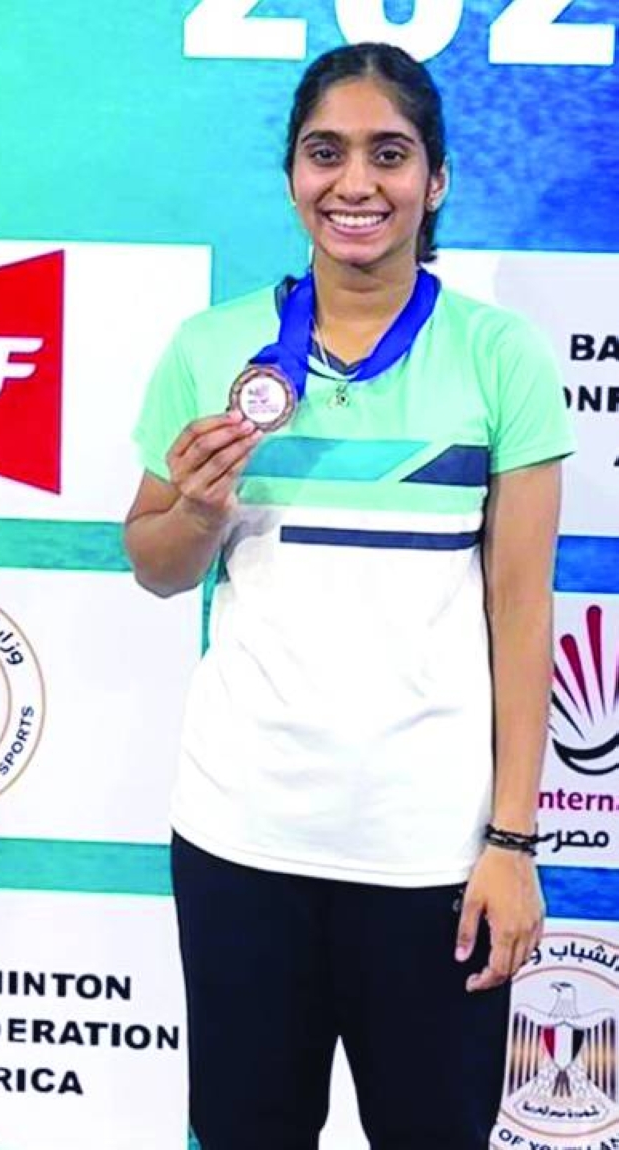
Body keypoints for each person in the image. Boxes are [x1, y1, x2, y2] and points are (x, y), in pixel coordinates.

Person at [123, 41, 575, 1150]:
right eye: (325, 153)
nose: (355, 183)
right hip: (240, 839)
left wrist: (513, 841)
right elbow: (155, 562)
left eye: (389, 153)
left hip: (432, 857)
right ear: (292, 175)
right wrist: (199, 509)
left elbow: (523, 613)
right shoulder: (212, 349)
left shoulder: (500, 357)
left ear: (437, 179)